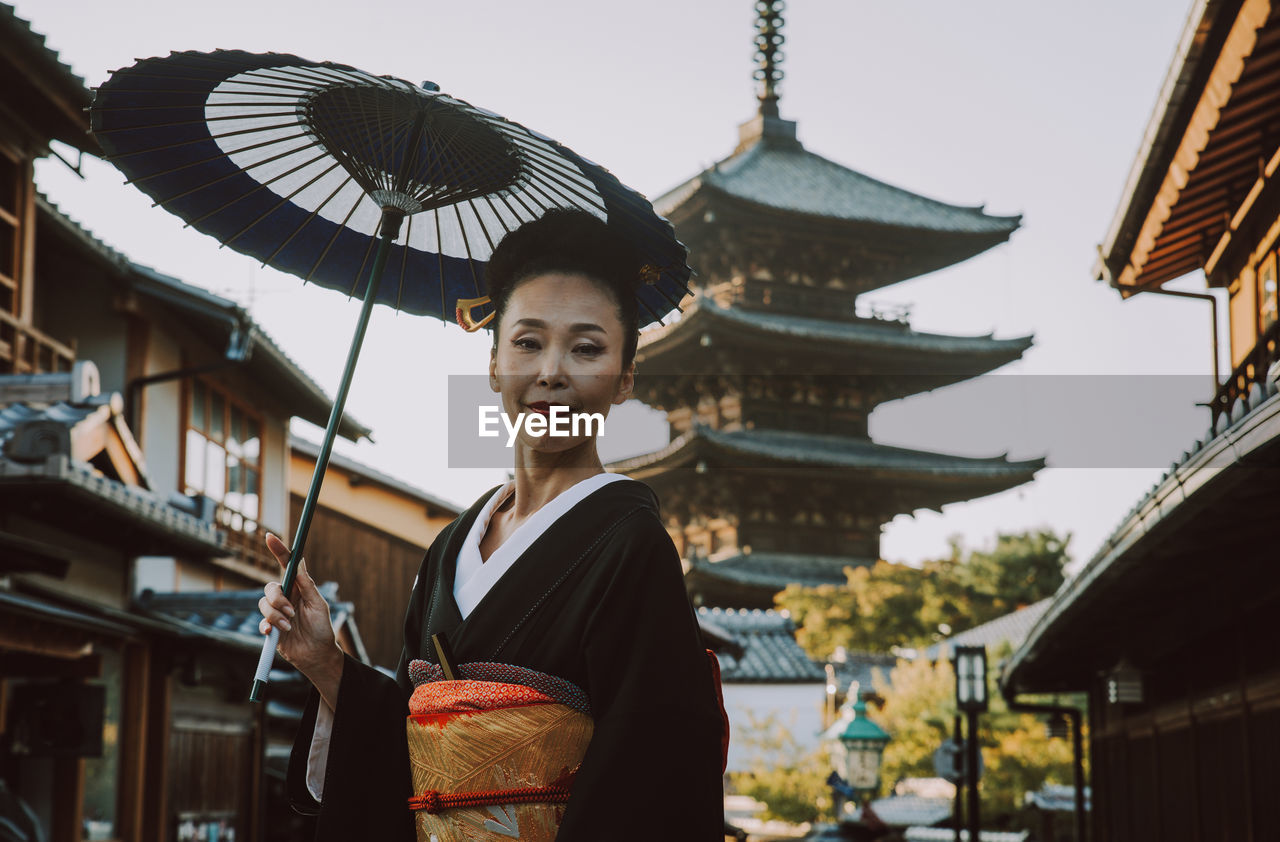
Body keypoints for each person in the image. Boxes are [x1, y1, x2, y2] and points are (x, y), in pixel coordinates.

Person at [258, 209, 726, 841]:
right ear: (494, 365)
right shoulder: (453, 546)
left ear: (624, 380)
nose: (551, 371)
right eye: (527, 342)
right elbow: (409, 741)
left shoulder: (631, 545)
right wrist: (324, 662)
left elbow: (650, 774)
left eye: (587, 349)